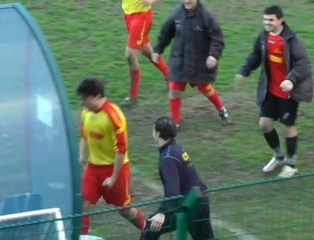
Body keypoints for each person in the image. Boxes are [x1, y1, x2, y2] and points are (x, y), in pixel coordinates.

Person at [234, 5, 313, 178]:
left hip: (287, 92)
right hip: (270, 91)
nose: (267, 23)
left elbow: (303, 65)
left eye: (271, 20)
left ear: (280, 20)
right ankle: (278, 155)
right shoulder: (264, 36)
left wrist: (290, 80)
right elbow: (254, 56)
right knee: (264, 124)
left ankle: (291, 164)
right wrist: (243, 71)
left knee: (288, 126)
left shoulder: (292, 40)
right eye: (265, 20)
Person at [77, 78, 146, 235]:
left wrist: (114, 178)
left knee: (124, 210)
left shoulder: (114, 115)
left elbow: (121, 149)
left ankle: (148, 229)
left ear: (96, 96)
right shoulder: (85, 113)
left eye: (85, 99)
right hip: (93, 168)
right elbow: (83, 135)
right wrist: (82, 155)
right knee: (82, 206)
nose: (82, 103)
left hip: (116, 169)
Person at [152, 0, 230, 128]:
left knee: (205, 89)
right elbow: (165, 32)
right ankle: (175, 122)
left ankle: (221, 109)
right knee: (174, 89)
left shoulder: (206, 16)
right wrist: (157, 50)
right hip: (180, 60)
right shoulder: (176, 14)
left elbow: (217, 39)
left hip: (199, 61)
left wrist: (213, 55)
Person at [140, 116, 215, 240]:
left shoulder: (168, 158)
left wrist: (162, 213)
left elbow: (172, 191)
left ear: (157, 133)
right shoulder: (175, 148)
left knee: (150, 228)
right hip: (200, 199)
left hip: (188, 205)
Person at [120, 0, 169, 107]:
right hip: (128, 14)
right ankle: (170, 75)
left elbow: (148, 2)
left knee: (130, 55)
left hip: (141, 17)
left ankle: (133, 96)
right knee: (146, 50)